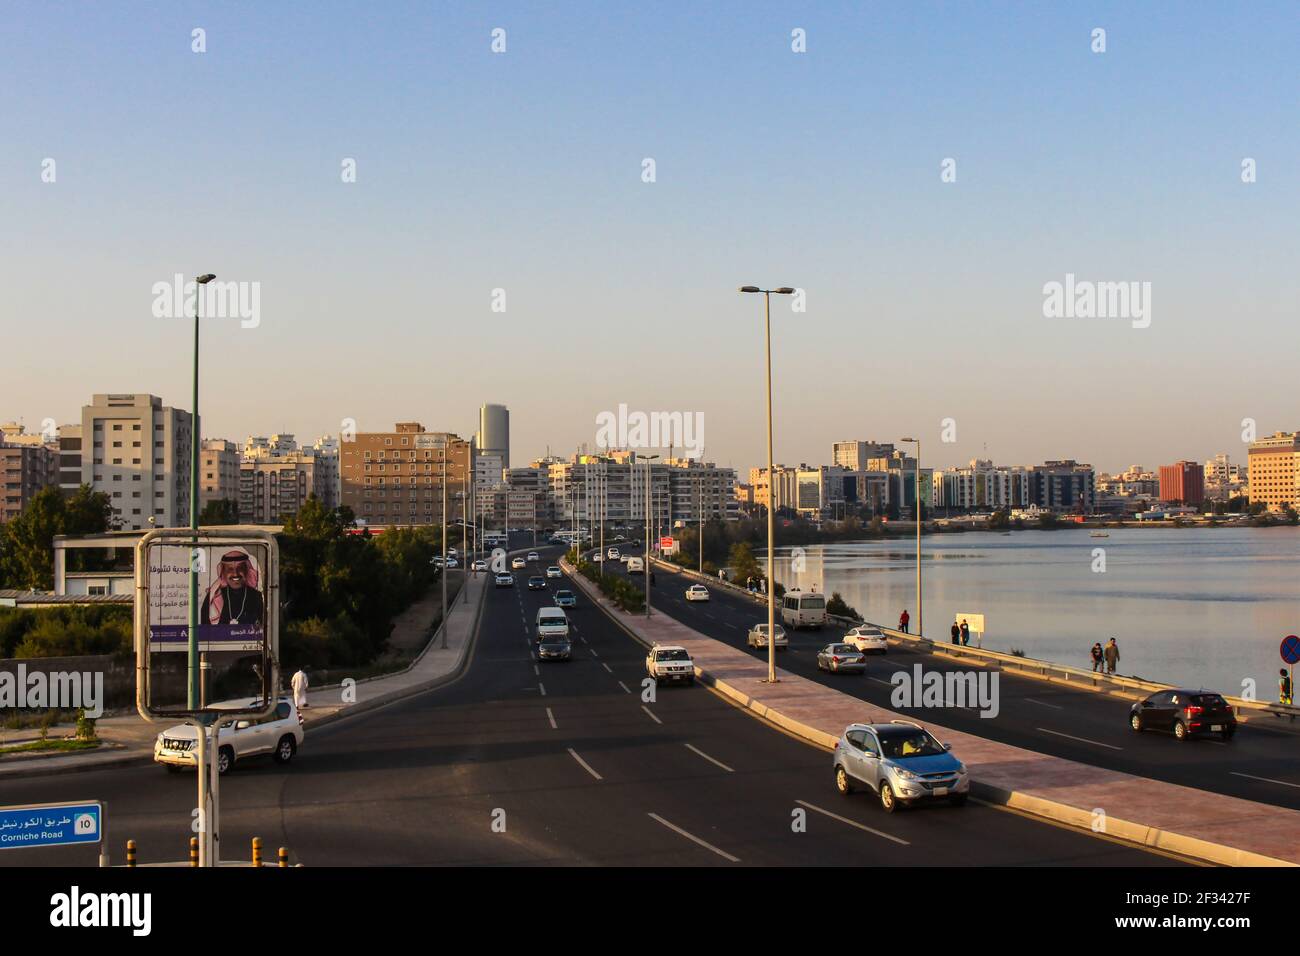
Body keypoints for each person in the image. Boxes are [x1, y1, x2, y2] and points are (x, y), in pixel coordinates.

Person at [201, 549, 265, 628]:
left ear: (246, 570)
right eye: (230, 569)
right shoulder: (214, 597)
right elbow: (204, 630)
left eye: (240, 568)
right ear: (223, 572)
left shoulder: (256, 596)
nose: (235, 574)